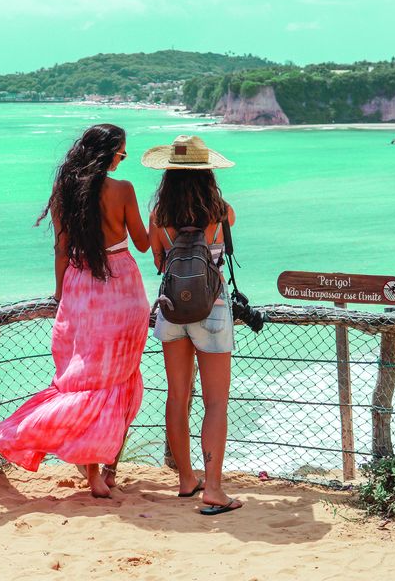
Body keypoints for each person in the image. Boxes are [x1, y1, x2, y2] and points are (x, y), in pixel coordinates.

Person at [0, 124, 150, 498]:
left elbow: (61, 250)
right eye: (122, 154)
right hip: (122, 289)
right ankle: (110, 470)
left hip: (80, 290)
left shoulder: (64, 193)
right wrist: (156, 223)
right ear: (109, 154)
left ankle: (93, 474)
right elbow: (140, 243)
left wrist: (61, 292)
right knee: (121, 381)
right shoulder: (123, 191)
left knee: (83, 380)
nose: (122, 160)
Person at [142, 134, 242, 515]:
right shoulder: (222, 213)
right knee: (215, 401)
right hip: (212, 312)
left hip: (171, 312)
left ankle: (186, 479)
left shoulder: (159, 218)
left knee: (177, 396)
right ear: (207, 173)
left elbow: (158, 263)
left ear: (168, 173)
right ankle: (213, 488)